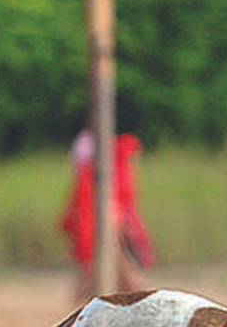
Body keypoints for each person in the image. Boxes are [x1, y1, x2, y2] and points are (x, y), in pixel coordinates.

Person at [58, 129, 155, 303]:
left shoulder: (106, 168)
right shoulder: (101, 170)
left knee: (114, 270)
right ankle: (141, 301)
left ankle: (141, 301)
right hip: (103, 222)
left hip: (106, 222)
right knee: (110, 270)